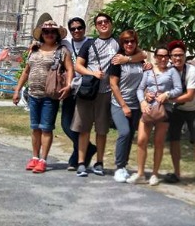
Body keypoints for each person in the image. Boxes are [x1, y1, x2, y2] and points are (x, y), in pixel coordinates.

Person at [72, 12, 146, 177]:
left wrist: (128, 60)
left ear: (111, 24)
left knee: (102, 130)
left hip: (106, 93)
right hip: (88, 91)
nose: (103, 24)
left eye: (106, 21)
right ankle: (81, 163)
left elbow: (142, 55)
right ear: (96, 26)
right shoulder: (89, 44)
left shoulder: (118, 44)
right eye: (99, 23)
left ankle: (99, 162)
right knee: (84, 129)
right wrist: (92, 74)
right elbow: (78, 66)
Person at [12, 20, 74, 174]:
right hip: (33, 94)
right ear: (42, 34)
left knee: (46, 128)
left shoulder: (62, 51)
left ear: (57, 35)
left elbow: (70, 69)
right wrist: (17, 90)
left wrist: (69, 85)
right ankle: (34, 157)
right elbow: (26, 71)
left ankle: (43, 159)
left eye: (52, 32)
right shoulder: (34, 50)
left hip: (50, 96)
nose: (49, 34)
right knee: (35, 128)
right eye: (46, 32)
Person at [127, 45, 183, 186]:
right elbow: (140, 88)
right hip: (148, 108)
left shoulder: (172, 72)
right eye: (160, 56)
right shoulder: (148, 71)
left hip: (164, 110)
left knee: (158, 142)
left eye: (165, 56)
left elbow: (178, 89)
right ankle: (140, 173)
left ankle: (154, 174)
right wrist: (142, 101)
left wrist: (167, 94)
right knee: (141, 140)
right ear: (156, 57)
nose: (163, 58)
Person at [164, 40, 195, 189]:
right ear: (170, 57)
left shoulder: (192, 71)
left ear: (185, 56)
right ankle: (177, 173)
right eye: (175, 55)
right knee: (174, 139)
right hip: (177, 110)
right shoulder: (168, 70)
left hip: (194, 109)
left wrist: (168, 98)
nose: (178, 58)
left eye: (180, 55)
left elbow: (189, 96)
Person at [60, 17, 97, 171]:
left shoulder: (92, 43)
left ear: (84, 28)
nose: (76, 31)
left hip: (86, 89)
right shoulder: (65, 43)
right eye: (73, 28)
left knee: (79, 126)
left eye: (79, 27)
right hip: (70, 87)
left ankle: (75, 160)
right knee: (66, 124)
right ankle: (88, 148)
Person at [109, 29, 145, 183]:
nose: (129, 44)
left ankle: (124, 166)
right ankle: (118, 167)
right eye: (126, 41)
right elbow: (113, 84)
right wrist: (124, 105)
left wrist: (145, 65)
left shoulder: (139, 59)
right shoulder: (117, 60)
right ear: (122, 43)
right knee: (124, 133)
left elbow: (144, 57)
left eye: (132, 41)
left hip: (136, 105)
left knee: (130, 136)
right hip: (119, 103)